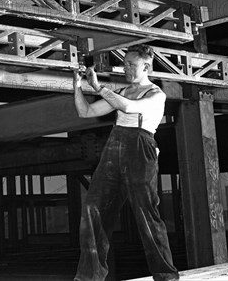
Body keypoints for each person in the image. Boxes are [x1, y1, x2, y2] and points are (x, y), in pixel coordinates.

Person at [73, 44, 179, 281]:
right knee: (93, 208)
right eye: (125, 64)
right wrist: (77, 86)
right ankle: (89, 277)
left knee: (146, 213)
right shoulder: (121, 91)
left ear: (146, 66)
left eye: (132, 64)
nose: (126, 68)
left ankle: (166, 275)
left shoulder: (155, 94)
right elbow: (86, 112)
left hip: (140, 148)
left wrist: (98, 87)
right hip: (114, 145)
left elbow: (129, 107)